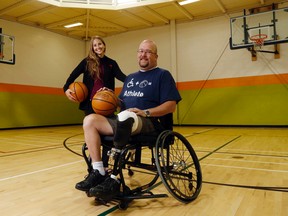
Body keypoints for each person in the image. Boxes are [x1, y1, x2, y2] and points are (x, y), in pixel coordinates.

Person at [75, 39, 181, 200]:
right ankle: (99, 171)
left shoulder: (163, 75)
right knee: (89, 120)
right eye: (140, 51)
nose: (143, 54)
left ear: (156, 56)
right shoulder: (131, 78)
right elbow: (120, 103)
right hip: (124, 120)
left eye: (148, 51)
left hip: (148, 122)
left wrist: (145, 112)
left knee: (126, 116)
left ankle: (114, 179)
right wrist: (107, 96)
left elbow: (171, 105)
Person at [63, 36, 126, 116]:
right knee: (91, 127)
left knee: (107, 128)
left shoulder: (112, 63)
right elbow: (73, 75)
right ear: (92, 48)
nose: (98, 47)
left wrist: (133, 80)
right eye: (95, 45)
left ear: (104, 45)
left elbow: (121, 76)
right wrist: (66, 89)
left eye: (99, 44)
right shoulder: (87, 62)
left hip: (106, 101)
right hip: (90, 103)